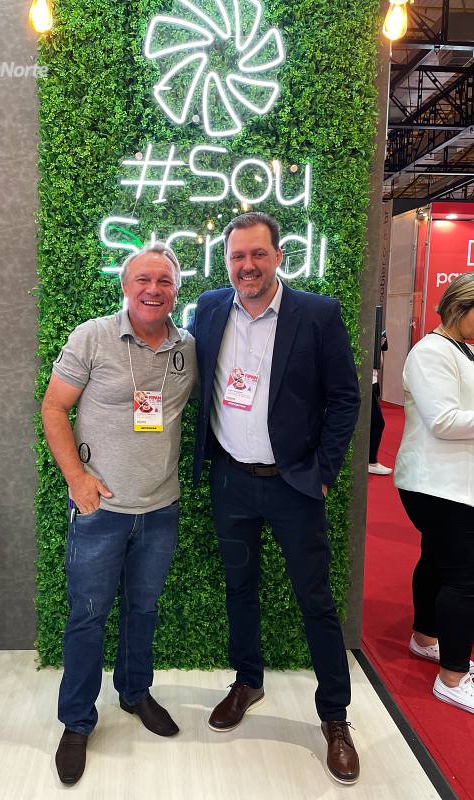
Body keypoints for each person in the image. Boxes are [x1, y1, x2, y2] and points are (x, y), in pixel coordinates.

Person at [189, 212, 361, 785]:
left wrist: (323, 473)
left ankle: (335, 718)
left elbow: (345, 398)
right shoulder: (209, 309)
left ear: (279, 257)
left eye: (258, 254)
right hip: (231, 482)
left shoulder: (317, 314)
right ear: (226, 262)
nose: (248, 266)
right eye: (237, 256)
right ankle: (248, 681)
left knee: (316, 600)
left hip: (295, 485)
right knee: (240, 589)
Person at [41, 243, 197, 785]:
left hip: (160, 508)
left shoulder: (187, 346)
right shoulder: (93, 336)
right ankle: (77, 721)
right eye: (143, 280)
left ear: (176, 289)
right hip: (100, 509)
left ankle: (134, 693)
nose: (153, 290)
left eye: (164, 281)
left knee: (143, 608)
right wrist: (77, 480)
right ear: (125, 286)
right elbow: (54, 406)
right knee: (88, 615)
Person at [394, 273, 474, 713]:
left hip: (452, 482)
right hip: (437, 484)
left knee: (438, 562)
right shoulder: (430, 353)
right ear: (459, 308)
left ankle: (425, 637)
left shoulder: (461, 348)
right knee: (464, 578)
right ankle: (453, 677)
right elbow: (443, 421)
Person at [368, 329, 392, 475]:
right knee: (378, 423)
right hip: (366, 382)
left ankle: (370, 460)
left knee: (375, 423)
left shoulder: (379, 330)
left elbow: (379, 364)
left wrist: (380, 347)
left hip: (374, 382)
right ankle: (371, 461)